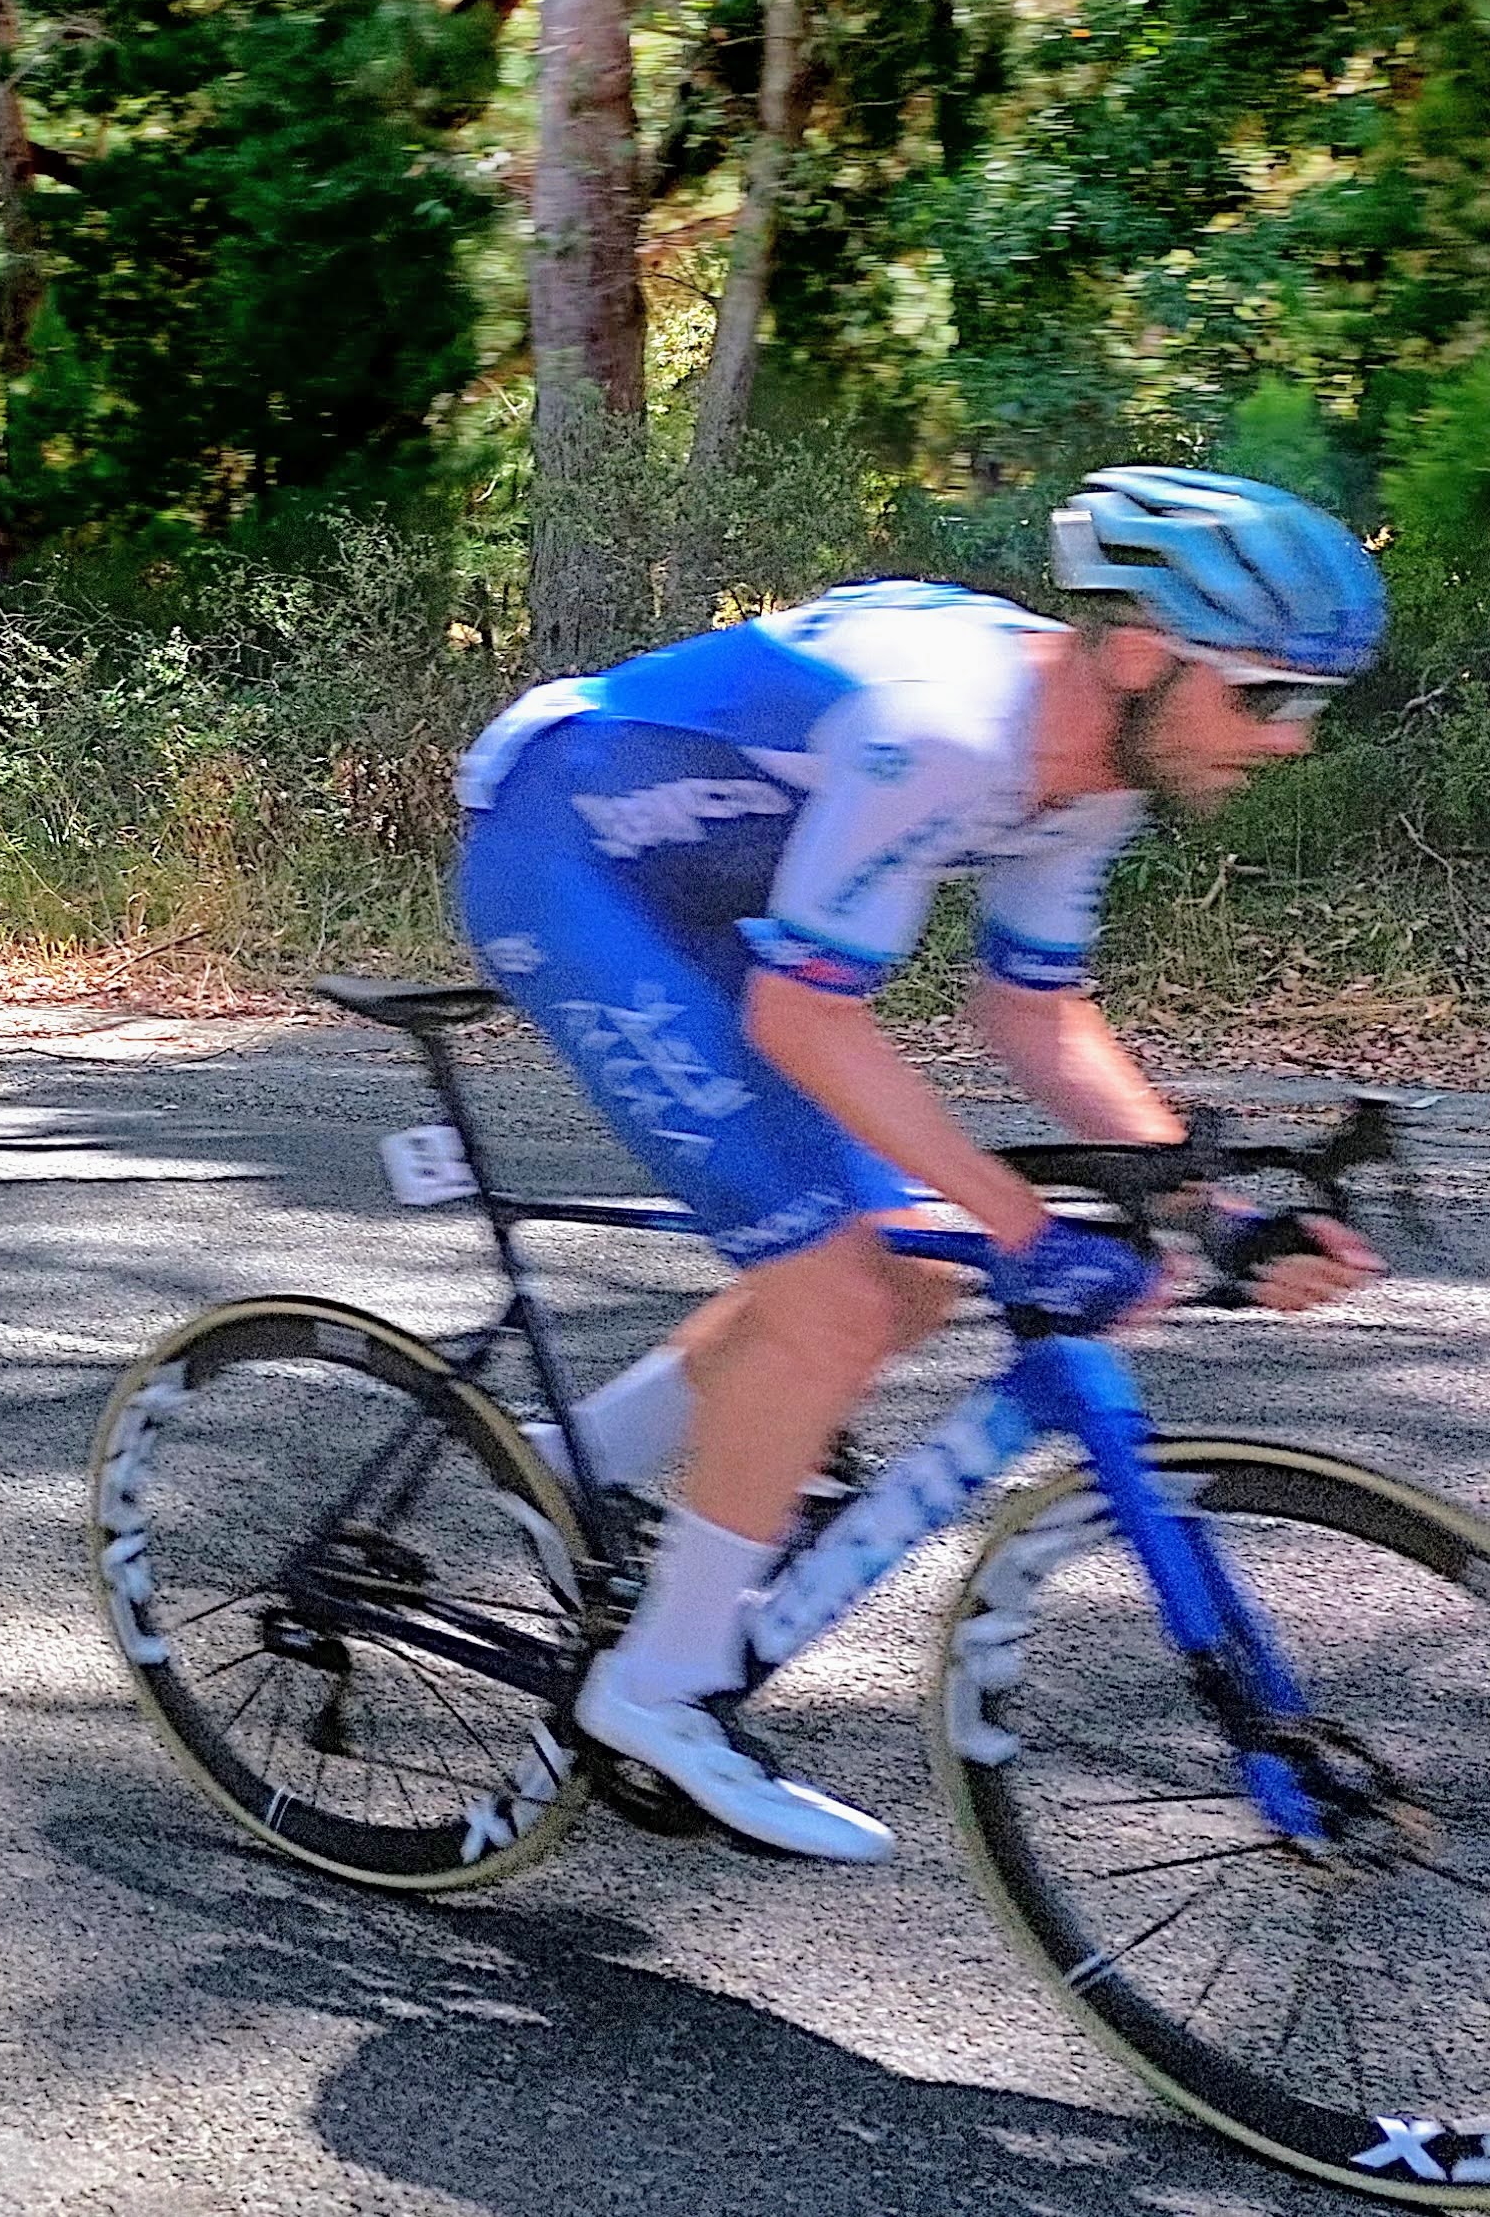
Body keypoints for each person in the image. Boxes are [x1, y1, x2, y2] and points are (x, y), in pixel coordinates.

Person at [454, 467, 1389, 1864]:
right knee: (836, 1295)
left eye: (1311, 703)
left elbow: (1031, 1012)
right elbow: (805, 1016)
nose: (1293, 739)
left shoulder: (1094, 770)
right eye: (1265, 696)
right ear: (1139, 651)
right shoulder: (950, 732)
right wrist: (1020, 1224)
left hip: (713, 899)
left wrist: (1219, 1211)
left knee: (904, 1278)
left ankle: (563, 1470)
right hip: (562, 853)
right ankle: (658, 1687)